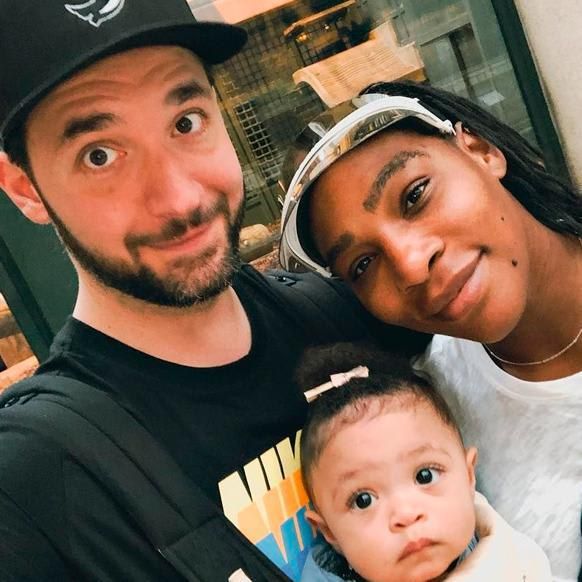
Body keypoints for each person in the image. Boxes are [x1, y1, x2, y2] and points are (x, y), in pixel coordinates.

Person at [0, 3, 428, 580]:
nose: (180, 199)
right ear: (24, 187)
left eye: (186, 122)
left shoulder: (343, 317)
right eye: (99, 155)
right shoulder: (37, 483)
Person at [278, 82, 582, 580]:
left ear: (480, 151)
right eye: (363, 263)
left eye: (415, 196)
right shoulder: (424, 413)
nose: (412, 264)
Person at [295, 342, 551, 582]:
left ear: (469, 476)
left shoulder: (503, 549)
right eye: (363, 500)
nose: (406, 514)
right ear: (329, 533)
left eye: (425, 476)